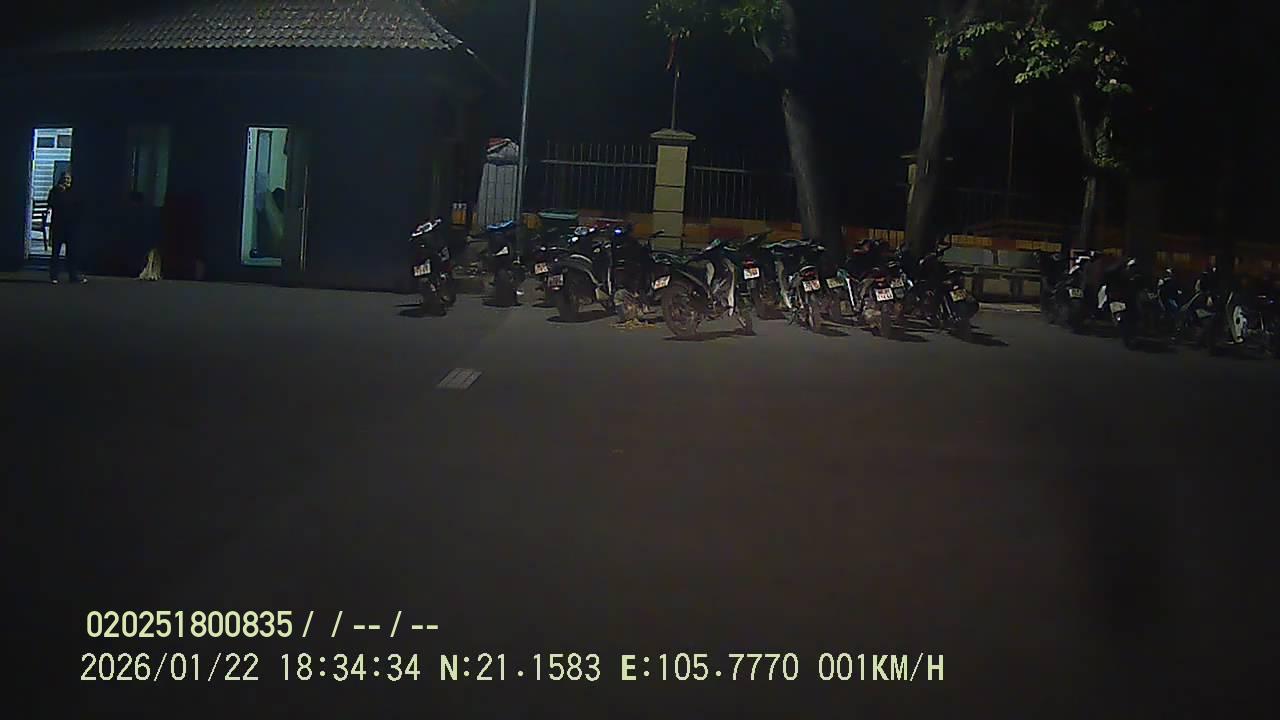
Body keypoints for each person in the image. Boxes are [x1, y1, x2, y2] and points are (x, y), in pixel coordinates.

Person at [46, 171, 86, 283]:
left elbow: (79, 205)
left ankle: (73, 275)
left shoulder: (73, 192)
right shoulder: (55, 191)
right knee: (56, 252)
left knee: (72, 252)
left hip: (71, 226)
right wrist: (60, 192)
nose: (66, 181)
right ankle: (54, 276)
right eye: (65, 178)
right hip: (58, 224)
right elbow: (51, 203)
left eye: (68, 179)